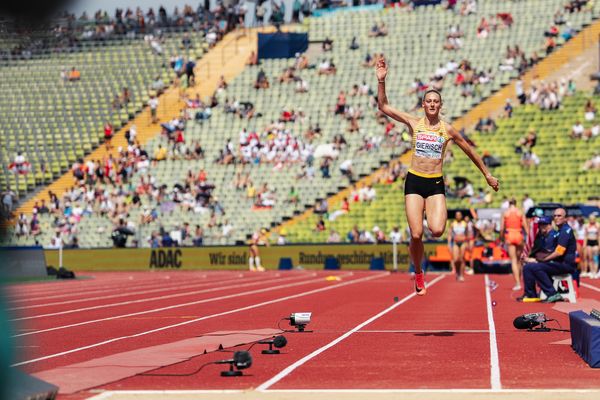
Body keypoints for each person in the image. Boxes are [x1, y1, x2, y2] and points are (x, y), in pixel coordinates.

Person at [376, 57, 499, 295]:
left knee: (437, 230)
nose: (432, 104)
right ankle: (419, 272)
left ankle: (421, 263)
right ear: (423, 105)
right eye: (429, 101)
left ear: (440, 106)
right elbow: (383, 106)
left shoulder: (448, 129)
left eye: (436, 102)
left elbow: (470, 151)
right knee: (416, 233)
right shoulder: (414, 122)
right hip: (414, 180)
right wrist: (381, 81)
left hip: (434, 183)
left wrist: (487, 175)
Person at [519, 208, 578, 303]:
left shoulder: (565, 231)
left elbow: (559, 252)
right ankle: (530, 294)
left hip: (565, 265)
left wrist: (542, 260)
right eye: (554, 216)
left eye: (559, 216)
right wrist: (534, 259)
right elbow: (549, 252)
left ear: (565, 218)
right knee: (528, 267)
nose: (556, 218)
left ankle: (552, 293)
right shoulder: (559, 231)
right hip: (557, 263)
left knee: (536, 267)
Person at [500, 198, 529, 290]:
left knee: (513, 260)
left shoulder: (505, 213)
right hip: (518, 234)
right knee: (519, 259)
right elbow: (525, 226)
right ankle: (520, 277)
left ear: (509, 204)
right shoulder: (520, 212)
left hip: (510, 234)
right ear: (516, 203)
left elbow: (502, 228)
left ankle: (517, 283)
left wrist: (501, 238)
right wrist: (528, 238)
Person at [448, 211, 468, 281]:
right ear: (455, 216)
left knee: (462, 259)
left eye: (459, 215)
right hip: (455, 242)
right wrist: (449, 243)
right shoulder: (453, 224)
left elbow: (467, 233)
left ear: (461, 216)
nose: (458, 216)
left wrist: (467, 241)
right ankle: (457, 272)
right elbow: (450, 234)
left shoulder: (464, 224)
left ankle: (462, 275)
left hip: (463, 242)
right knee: (456, 259)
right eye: (457, 215)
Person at [582, 214, 599, 278]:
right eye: (590, 219)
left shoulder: (597, 225)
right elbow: (585, 236)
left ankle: (595, 271)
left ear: (595, 219)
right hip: (589, 242)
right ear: (589, 219)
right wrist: (584, 245)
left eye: (593, 219)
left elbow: (599, 236)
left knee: (596, 258)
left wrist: (599, 244)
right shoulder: (587, 226)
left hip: (595, 242)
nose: (592, 220)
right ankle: (592, 271)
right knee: (590, 258)